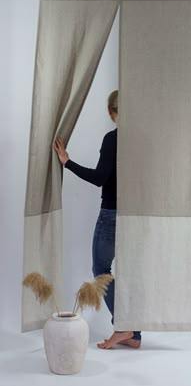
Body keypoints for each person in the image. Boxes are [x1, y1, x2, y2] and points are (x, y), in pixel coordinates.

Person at [53, 90, 141, 349]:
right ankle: (135, 335)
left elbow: (100, 178)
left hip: (112, 214)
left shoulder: (113, 139)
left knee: (101, 270)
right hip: (134, 216)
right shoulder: (140, 141)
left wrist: (67, 162)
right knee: (130, 273)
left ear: (111, 113)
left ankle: (123, 327)